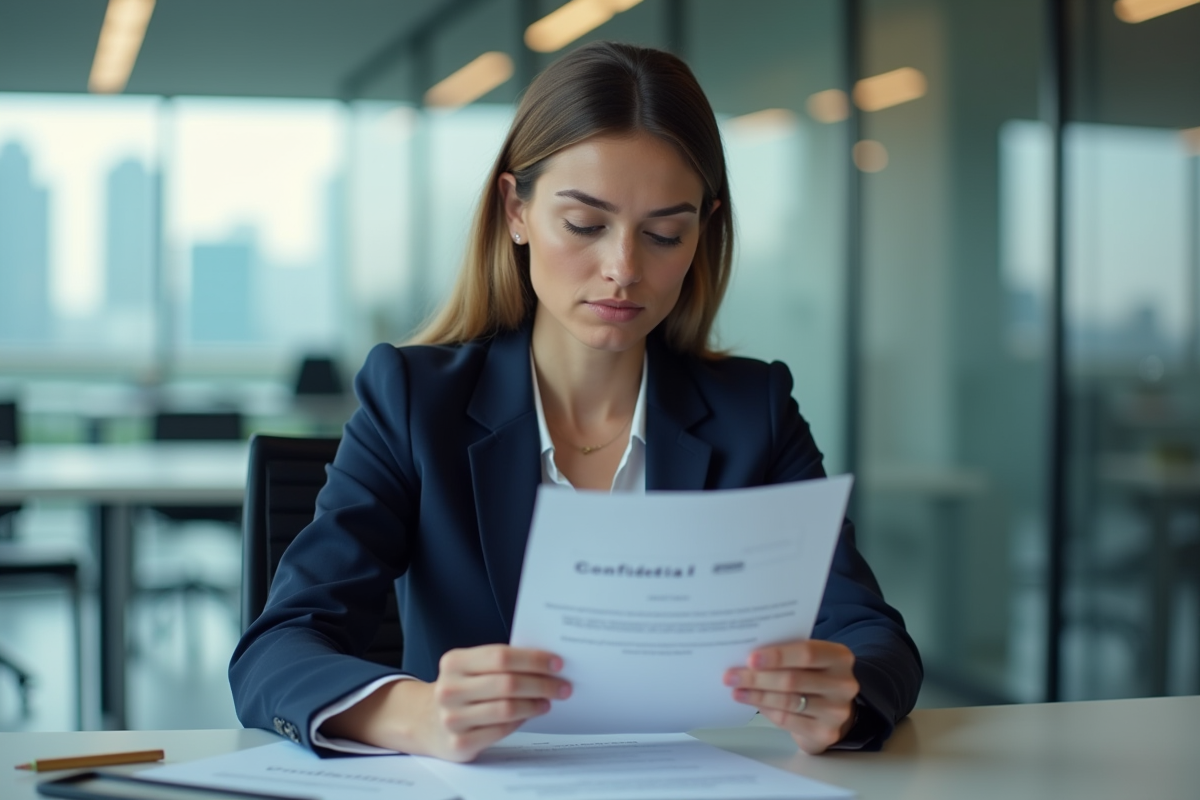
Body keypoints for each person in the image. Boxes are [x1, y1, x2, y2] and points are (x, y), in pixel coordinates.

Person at [230, 40, 922, 763]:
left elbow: (873, 638)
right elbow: (276, 651)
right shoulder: (414, 402)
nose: (623, 268)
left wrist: (843, 699)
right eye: (585, 224)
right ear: (516, 210)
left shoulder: (756, 411)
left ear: (701, 233)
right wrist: (417, 713)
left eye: (664, 233)